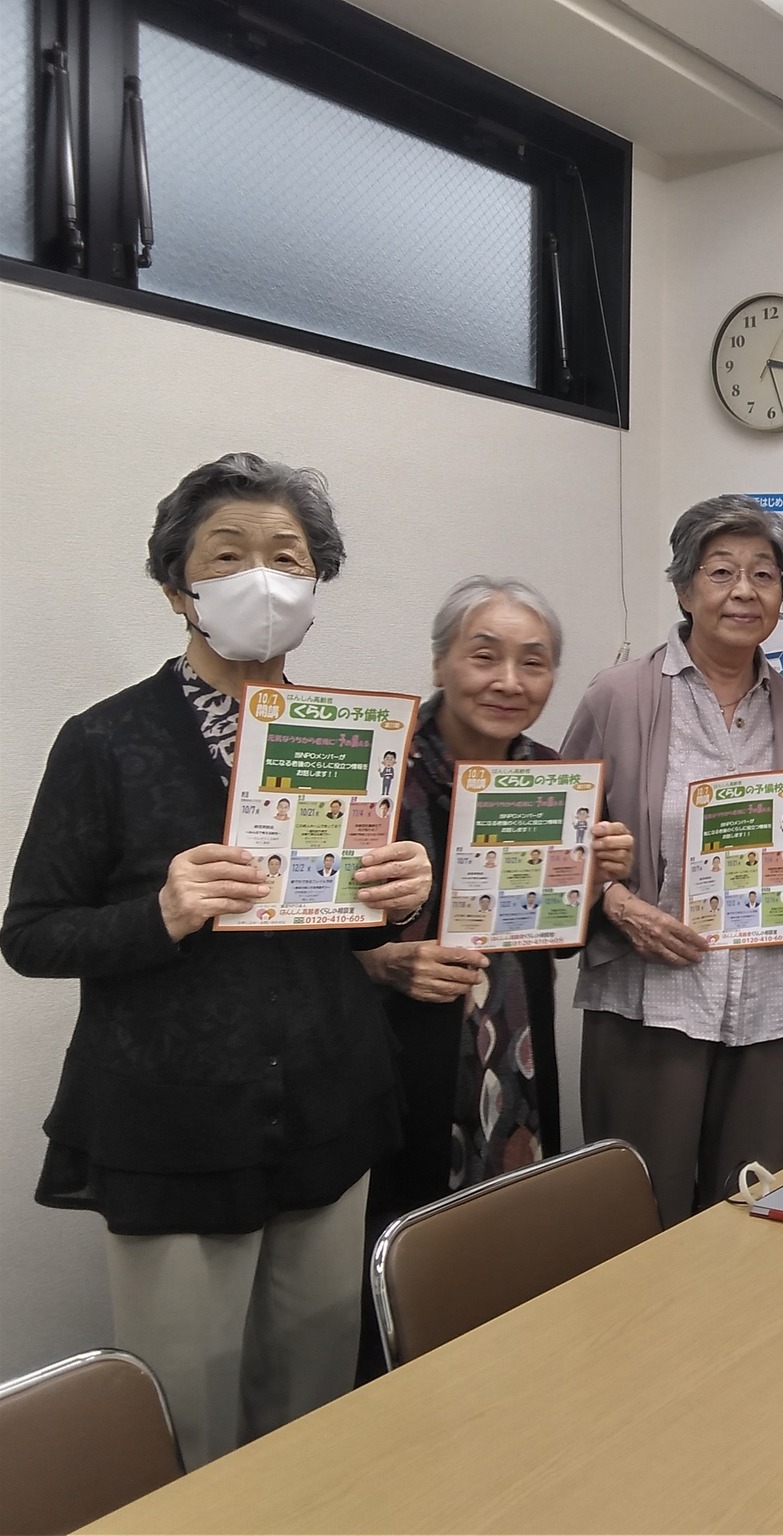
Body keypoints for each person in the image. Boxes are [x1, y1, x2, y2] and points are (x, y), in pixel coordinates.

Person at [1, 453, 435, 1468]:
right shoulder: (105, 741)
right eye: (229, 556)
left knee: (314, 1403)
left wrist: (398, 898)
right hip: (174, 1126)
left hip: (327, 1110)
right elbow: (31, 932)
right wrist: (158, 913)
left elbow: (345, 927)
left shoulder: (352, 740)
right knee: (187, 1418)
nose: (262, 578)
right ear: (177, 589)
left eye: (288, 557)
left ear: (316, 585)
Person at [357, 579, 635, 1353]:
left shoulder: (554, 777)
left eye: (533, 663)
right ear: (441, 662)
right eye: (485, 657)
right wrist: (381, 962)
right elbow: (310, 933)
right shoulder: (381, 770)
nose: (509, 681)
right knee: (392, 1279)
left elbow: (558, 940)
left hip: (518, 1054)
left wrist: (596, 881)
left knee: (513, 1257)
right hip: (394, 1063)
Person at [565, 496, 783, 1225]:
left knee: (751, 1206)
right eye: (721, 572)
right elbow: (560, 843)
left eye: (764, 574)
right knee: (638, 1212)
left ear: (782, 594)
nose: (744, 591)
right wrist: (619, 905)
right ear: (685, 589)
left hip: (770, 997)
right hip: (652, 993)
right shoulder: (618, 696)